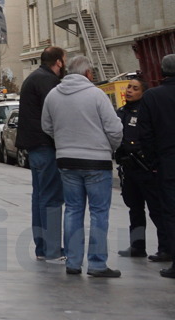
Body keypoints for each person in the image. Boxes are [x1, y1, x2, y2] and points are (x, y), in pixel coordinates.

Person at [42, 55, 123, 277]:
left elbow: (46, 126)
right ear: (87, 73)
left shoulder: (53, 95)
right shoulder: (96, 95)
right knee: (98, 213)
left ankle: (73, 261)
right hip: (97, 161)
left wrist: (64, 143)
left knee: (73, 210)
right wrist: (109, 148)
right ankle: (97, 264)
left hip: (66, 161)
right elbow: (114, 128)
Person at [17, 45, 66, 261]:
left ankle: (43, 249)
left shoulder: (34, 78)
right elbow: (54, 114)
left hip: (35, 146)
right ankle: (52, 250)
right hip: (46, 146)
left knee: (39, 198)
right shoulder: (49, 82)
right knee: (51, 198)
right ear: (59, 62)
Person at [115, 78, 167, 260]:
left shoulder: (146, 111)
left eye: (135, 88)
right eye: (129, 87)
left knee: (156, 209)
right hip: (128, 168)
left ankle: (165, 248)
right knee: (134, 208)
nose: (129, 90)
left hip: (145, 167)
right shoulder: (121, 112)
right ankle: (137, 246)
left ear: (143, 93)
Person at [137, 53, 175, 277]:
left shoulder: (152, 97)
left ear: (162, 71)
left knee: (170, 212)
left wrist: (153, 162)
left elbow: (146, 133)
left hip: (167, 162)